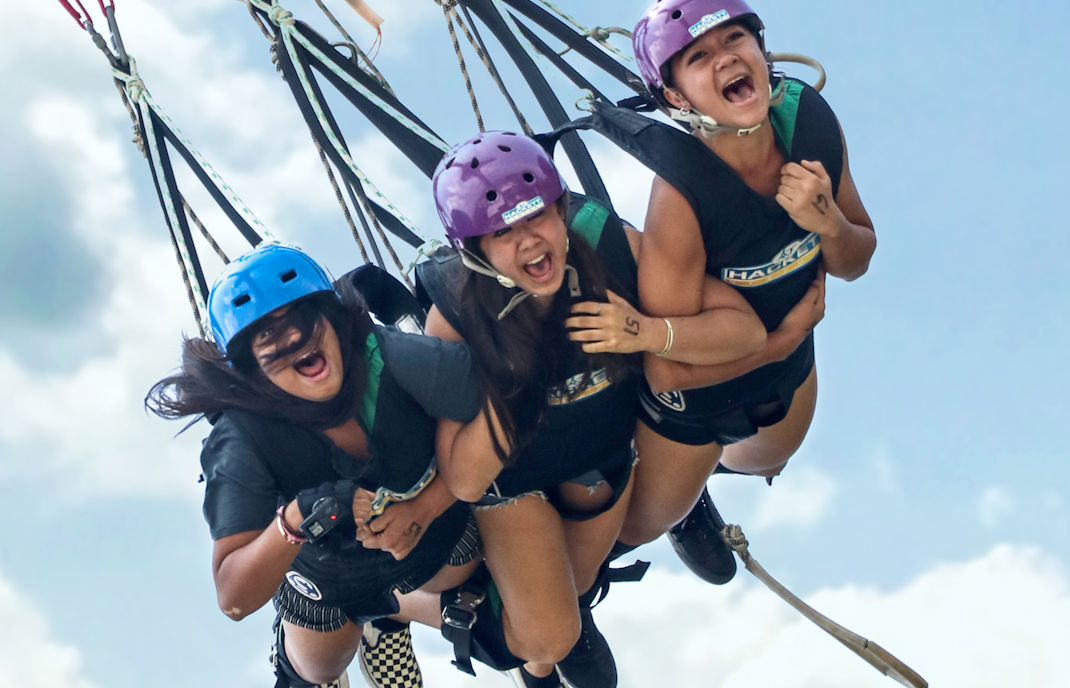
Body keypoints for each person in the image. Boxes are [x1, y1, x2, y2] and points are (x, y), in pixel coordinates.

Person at [416, 131, 766, 688]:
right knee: (547, 637)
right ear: (475, 252)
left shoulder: (606, 248)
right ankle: (398, 607)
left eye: (536, 218)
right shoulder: (456, 316)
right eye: (502, 233)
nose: (528, 241)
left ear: (561, 210)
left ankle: (576, 598)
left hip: (600, 454)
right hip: (515, 481)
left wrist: (649, 331)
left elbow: (745, 332)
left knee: (579, 582)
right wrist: (513, 384)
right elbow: (463, 479)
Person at [576, 0, 875, 578]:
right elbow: (666, 370)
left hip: (782, 368)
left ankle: (697, 492)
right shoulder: (680, 199)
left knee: (775, 454)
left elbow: (855, 261)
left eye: (735, 40)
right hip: (694, 398)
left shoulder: (808, 123)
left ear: (761, 53)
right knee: (638, 526)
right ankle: (583, 586)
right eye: (699, 56)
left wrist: (828, 223)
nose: (726, 58)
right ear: (676, 98)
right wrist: (782, 340)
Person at [146, 243, 483, 688]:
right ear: (251, 371)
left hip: (432, 543)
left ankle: (392, 616)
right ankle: (326, 634)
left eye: (303, 318)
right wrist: (300, 516)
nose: (292, 338)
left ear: (335, 319)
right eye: (266, 337)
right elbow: (233, 597)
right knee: (317, 672)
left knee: (485, 594)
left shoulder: (386, 355)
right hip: (328, 579)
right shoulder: (242, 436)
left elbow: (499, 406)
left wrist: (430, 505)